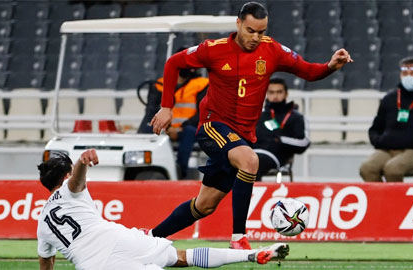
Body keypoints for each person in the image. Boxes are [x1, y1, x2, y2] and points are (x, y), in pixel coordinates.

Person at [150, 1, 352, 249]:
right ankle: (239, 239)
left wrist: (330, 66)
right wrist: (166, 106)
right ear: (238, 24)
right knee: (250, 160)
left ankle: (149, 238)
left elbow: (309, 71)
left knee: (205, 205)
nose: (256, 37)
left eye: (261, 32)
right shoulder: (213, 49)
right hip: (214, 126)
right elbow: (174, 63)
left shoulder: (272, 50)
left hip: (242, 136)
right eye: (251, 31)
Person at [37, 150, 290, 270]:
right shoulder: (70, 189)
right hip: (117, 239)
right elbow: (77, 182)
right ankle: (251, 255)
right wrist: (83, 162)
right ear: (67, 173)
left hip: (91, 265)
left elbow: (46, 264)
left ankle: (252, 256)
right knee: (181, 257)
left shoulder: (42, 223)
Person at [359, 56, 413, 182]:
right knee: (367, 168)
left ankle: (396, 201)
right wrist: (379, 141)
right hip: (388, 149)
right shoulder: (389, 99)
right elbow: (375, 129)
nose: (409, 76)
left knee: (393, 169)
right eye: (405, 73)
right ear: (400, 75)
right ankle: (383, 200)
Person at [138, 47, 209, 179]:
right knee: (147, 129)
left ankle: (179, 171)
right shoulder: (159, 84)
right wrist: (167, 127)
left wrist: (181, 126)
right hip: (165, 126)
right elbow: (151, 110)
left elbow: (204, 111)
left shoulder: (201, 84)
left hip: (187, 127)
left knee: (189, 132)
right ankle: (144, 169)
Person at [253, 78, 310, 180]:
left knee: (251, 164)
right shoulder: (258, 115)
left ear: (286, 94)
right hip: (252, 153)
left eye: (279, 92)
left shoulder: (296, 117)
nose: (275, 96)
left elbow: (304, 142)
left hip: (274, 157)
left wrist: (280, 140)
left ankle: (251, 195)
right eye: (271, 92)